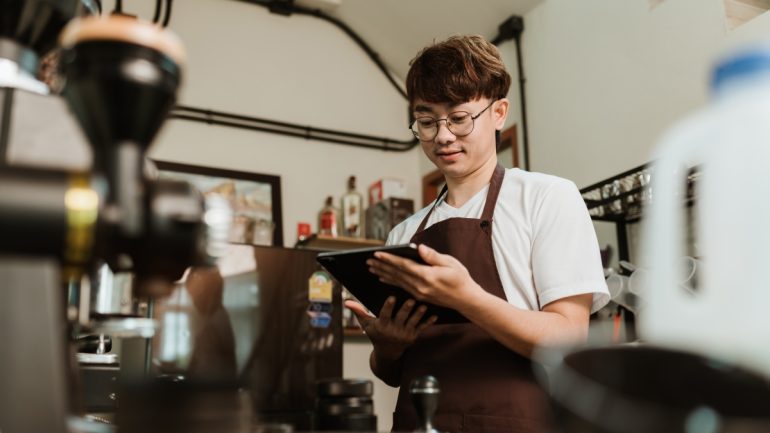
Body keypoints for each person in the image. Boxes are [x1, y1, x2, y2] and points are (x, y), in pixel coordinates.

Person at [344, 35, 610, 433]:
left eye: (459, 118)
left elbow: (569, 338)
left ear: (499, 111)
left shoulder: (546, 197)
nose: (443, 136)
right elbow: (391, 373)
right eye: (428, 121)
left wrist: (467, 298)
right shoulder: (404, 231)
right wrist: (388, 345)